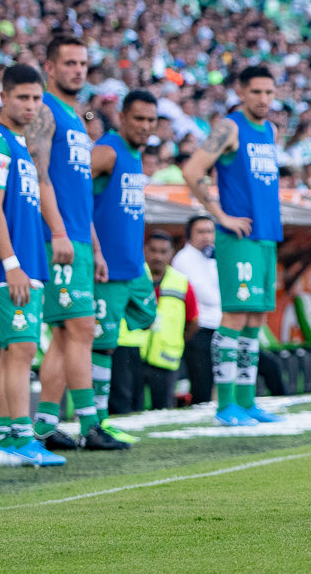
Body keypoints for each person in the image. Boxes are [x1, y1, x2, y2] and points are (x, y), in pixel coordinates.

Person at [182, 66, 283, 426]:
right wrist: (219, 215)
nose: (264, 99)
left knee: (255, 319)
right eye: (256, 91)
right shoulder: (229, 126)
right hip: (238, 237)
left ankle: (246, 401)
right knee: (235, 316)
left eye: (269, 92)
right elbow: (193, 169)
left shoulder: (269, 129)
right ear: (241, 91)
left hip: (266, 235)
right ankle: (225, 405)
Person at [24, 35, 110, 450]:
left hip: (76, 238)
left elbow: (79, 192)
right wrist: (58, 231)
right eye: (70, 63)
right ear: (51, 68)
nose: (78, 70)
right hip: (53, 238)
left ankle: (44, 424)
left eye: (83, 63)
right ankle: (91, 426)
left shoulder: (76, 119)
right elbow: (39, 177)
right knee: (80, 329)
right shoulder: (45, 112)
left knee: (65, 334)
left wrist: (93, 246)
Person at [0, 64, 65, 465]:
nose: (31, 106)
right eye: (23, 98)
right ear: (3, 98)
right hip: (11, 268)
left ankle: (7, 438)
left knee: (13, 352)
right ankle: (17, 439)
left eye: (37, 98)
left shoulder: (18, 144)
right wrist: (12, 264)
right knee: (21, 349)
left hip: (27, 265)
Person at [91, 90, 159, 445]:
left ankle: (97, 417)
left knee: (149, 317)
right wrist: (95, 249)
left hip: (133, 267)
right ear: (121, 116)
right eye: (138, 119)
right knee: (102, 345)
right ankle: (96, 420)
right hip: (107, 269)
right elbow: (72, 193)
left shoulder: (134, 154)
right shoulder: (108, 150)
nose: (145, 126)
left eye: (151, 120)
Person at [117, 231, 199, 410]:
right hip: (134, 355)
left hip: (165, 359)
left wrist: (176, 341)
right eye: (153, 251)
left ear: (172, 253)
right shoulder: (133, 278)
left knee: (163, 410)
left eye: (163, 252)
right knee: (130, 408)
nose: (158, 256)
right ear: (145, 251)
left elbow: (193, 321)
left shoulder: (182, 282)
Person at [171, 214, 220, 405]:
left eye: (210, 231)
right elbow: (210, 297)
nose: (206, 236)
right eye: (200, 232)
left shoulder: (212, 255)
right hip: (198, 328)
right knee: (202, 383)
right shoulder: (184, 259)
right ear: (189, 235)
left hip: (219, 325)